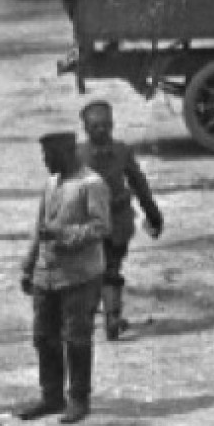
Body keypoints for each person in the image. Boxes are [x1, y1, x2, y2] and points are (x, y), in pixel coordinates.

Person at [18, 131, 111, 425]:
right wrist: (29, 265)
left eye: (49, 156)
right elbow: (39, 227)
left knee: (76, 338)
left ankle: (79, 399)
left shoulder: (91, 184)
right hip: (46, 275)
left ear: (66, 153)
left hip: (80, 276)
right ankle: (51, 397)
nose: (45, 162)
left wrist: (64, 235)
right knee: (44, 337)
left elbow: (101, 227)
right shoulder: (50, 183)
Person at [76, 99, 164, 341]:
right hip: (89, 222)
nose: (102, 130)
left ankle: (111, 316)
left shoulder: (122, 152)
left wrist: (152, 213)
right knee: (96, 270)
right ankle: (103, 314)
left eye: (106, 125)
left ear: (113, 125)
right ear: (86, 128)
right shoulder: (77, 155)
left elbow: (138, 183)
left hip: (118, 220)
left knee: (110, 267)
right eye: (96, 126)